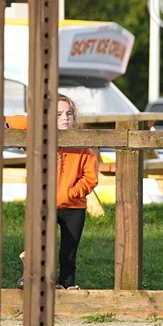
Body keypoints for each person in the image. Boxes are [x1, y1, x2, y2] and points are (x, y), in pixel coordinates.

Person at [53, 95, 98, 290]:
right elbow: (19, 124)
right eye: (59, 114)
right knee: (40, 249)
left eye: (69, 114)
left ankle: (66, 286)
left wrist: (72, 193)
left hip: (74, 207)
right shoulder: (40, 141)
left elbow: (91, 177)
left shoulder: (83, 147)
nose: (65, 118)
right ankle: (41, 284)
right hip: (46, 206)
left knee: (68, 252)